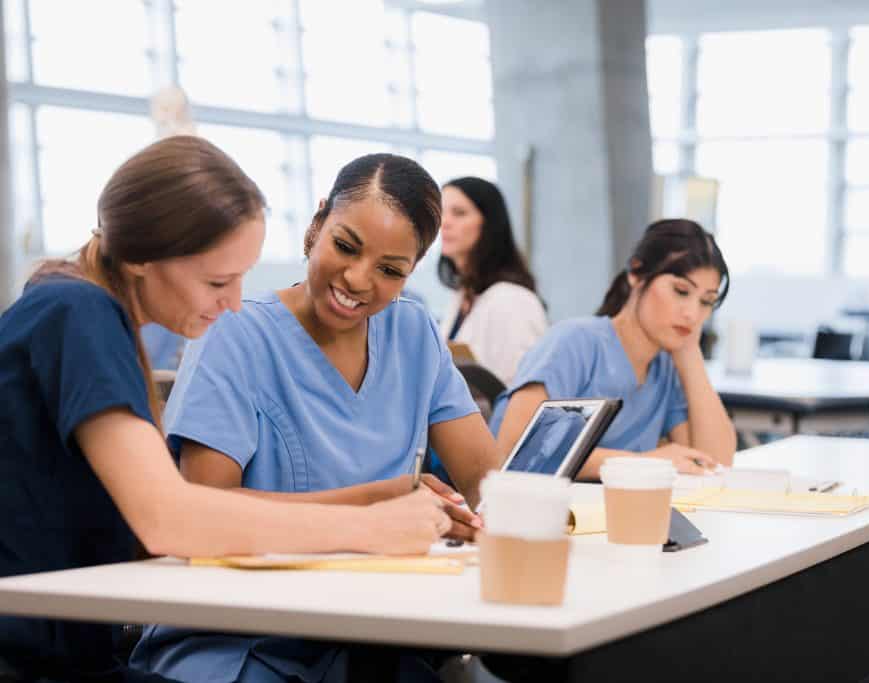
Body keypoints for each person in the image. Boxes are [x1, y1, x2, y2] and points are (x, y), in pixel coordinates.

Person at [0, 137, 455, 683]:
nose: (236, 301)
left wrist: (370, 502)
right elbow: (171, 521)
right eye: (218, 281)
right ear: (145, 257)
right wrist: (368, 529)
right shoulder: (79, 313)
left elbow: (150, 529)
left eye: (243, 278)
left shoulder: (78, 308)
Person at [131, 154, 500, 682]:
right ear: (316, 223)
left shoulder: (414, 334)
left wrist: (485, 515)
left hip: (374, 637)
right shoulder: (236, 335)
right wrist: (378, 510)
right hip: (244, 640)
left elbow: (489, 482)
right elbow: (206, 512)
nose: (358, 279)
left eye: (390, 270)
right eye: (346, 246)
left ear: (412, 272)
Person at [490, 219, 737, 480]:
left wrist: (690, 354)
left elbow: (715, 462)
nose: (692, 313)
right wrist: (643, 463)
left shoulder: (666, 366)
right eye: (681, 291)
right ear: (636, 273)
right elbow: (517, 449)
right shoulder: (575, 342)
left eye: (706, 302)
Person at [437, 177, 546, 385]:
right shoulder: (461, 297)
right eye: (441, 212)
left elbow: (521, 387)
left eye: (459, 213)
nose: (444, 222)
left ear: (489, 224)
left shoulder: (514, 300)